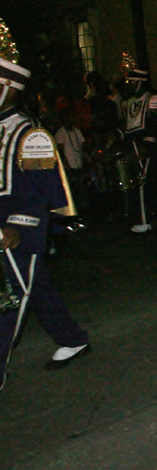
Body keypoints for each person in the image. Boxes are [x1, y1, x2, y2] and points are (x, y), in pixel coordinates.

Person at [0, 24, 91, 392]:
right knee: (36, 289)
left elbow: (44, 195)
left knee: (7, 303)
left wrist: (17, 230)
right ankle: (72, 337)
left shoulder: (31, 136)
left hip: (16, 233)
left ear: (8, 88)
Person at [121, 68, 157, 232]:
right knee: (139, 182)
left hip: (145, 143)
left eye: (132, 82)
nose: (129, 85)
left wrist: (147, 144)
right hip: (132, 143)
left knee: (141, 181)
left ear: (140, 82)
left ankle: (144, 221)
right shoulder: (127, 102)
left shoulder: (153, 99)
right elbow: (127, 126)